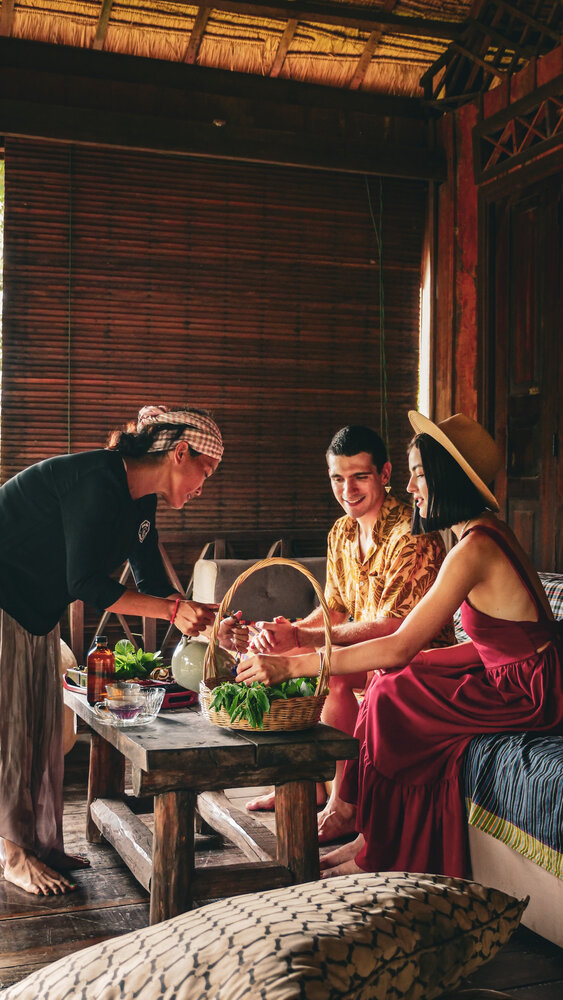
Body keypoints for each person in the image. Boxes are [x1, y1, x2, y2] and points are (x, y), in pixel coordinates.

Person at [236, 411, 563, 879]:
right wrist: (423, 663)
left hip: (528, 692)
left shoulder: (473, 548)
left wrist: (293, 665)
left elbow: (398, 642)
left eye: (419, 475)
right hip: (513, 672)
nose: (410, 488)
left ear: (446, 478)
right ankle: (370, 834)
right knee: (391, 682)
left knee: (391, 694)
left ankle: (380, 848)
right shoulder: (478, 534)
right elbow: (495, 642)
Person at [0, 404, 223, 897]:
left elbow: (150, 577)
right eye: (205, 472)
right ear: (180, 453)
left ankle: (42, 844)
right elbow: (85, 583)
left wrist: (204, 618)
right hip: (5, 597)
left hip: (35, 608)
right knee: (12, 731)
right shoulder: (97, 480)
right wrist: (172, 611)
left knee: (40, 730)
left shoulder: (140, 502)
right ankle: (12, 855)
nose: (203, 486)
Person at [227, 424, 453, 840]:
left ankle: (343, 807)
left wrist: (305, 640)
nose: (347, 490)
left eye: (359, 477)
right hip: (365, 653)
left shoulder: (411, 534)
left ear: (385, 474)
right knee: (281, 660)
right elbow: (334, 609)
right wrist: (288, 631)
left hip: (412, 660)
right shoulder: (342, 532)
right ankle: (305, 780)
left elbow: (395, 627)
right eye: (337, 478)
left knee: (328, 672)